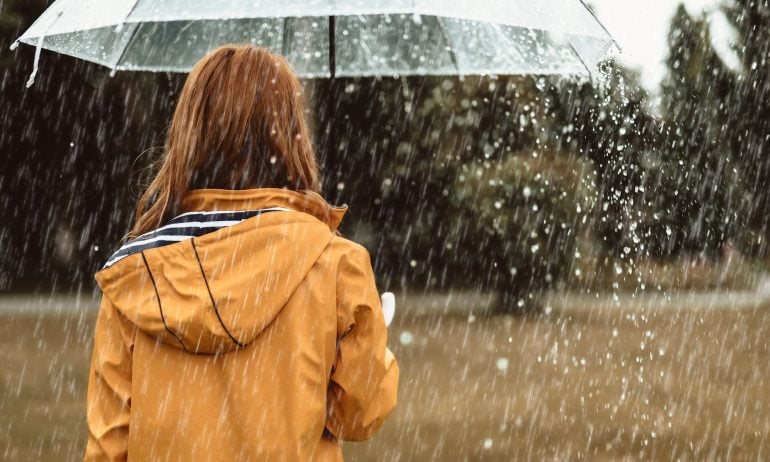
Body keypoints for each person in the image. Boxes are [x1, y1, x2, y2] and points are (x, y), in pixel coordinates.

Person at [84, 45, 399, 461]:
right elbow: (358, 415)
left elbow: (109, 448)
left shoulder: (135, 273)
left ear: (189, 132)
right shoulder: (334, 264)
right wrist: (372, 340)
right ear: (290, 134)